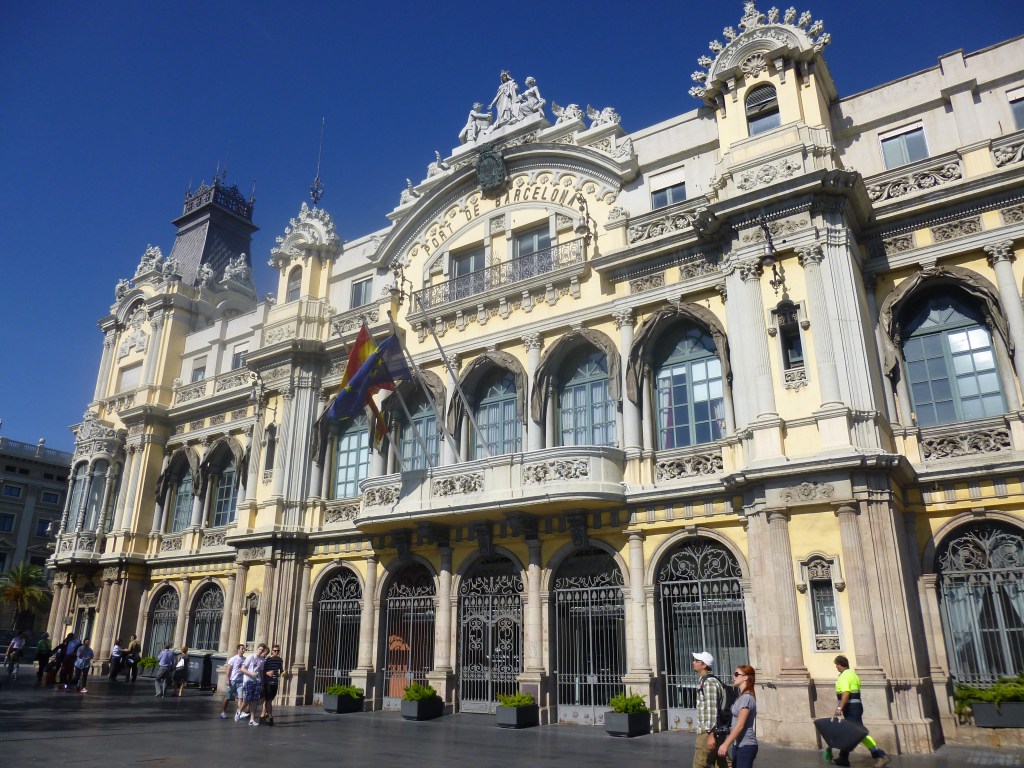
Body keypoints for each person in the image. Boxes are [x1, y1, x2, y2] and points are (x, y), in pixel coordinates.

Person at [832, 656, 890, 768]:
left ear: (840, 664)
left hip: (851, 708)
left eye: (837, 665)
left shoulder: (845, 676)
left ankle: (879, 755)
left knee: (860, 733)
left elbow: (846, 693)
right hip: (855, 706)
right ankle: (843, 758)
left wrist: (839, 708)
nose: (836, 668)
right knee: (849, 732)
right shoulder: (853, 674)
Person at [692, 651, 729, 768]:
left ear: (704, 665)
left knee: (700, 764)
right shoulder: (706, 681)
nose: (693, 663)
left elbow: (711, 710)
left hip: (708, 732)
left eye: (696, 661)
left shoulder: (709, 683)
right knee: (721, 762)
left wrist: (711, 735)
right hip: (712, 731)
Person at [718, 665, 758, 768]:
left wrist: (726, 744)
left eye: (736, 674)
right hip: (738, 745)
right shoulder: (741, 697)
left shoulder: (746, 698)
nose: (733, 677)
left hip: (746, 745)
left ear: (745, 677)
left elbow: (740, 725)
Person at [239, 643, 268, 726]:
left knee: (255, 700)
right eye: (260, 649)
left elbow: (261, 672)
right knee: (247, 700)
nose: (261, 651)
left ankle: (252, 720)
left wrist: (262, 682)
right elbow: (242, 669)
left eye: (262, 650)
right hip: (248, 680)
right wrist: (251, 674)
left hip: (257, 681)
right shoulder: (251, 657)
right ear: (257, 649)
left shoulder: (262, 660)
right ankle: (239, 710)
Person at [260, 644, 284, 726]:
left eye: (278, 651)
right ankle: (271, 718)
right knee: (269, 701)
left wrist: (283, 673)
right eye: (275, 651)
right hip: (268, 683)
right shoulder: (267, 660)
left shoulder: (280, 660)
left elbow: (281, 670)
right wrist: (267, 673)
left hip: (275, 683)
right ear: (272, 651)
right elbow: (261, 671)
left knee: (268, 701)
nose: (277, 652)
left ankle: (262, 717)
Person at [222, 644, 246, 720]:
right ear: (238, 649)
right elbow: (228, 669)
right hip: (232, 680)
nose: (243, 650)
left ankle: (240, 712)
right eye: (242, 648)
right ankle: (223, 711)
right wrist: (227, 679)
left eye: (244, 649)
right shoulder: (233, 659)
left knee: (240, 697)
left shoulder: (245, 659)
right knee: (228, 697)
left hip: (240, 681)